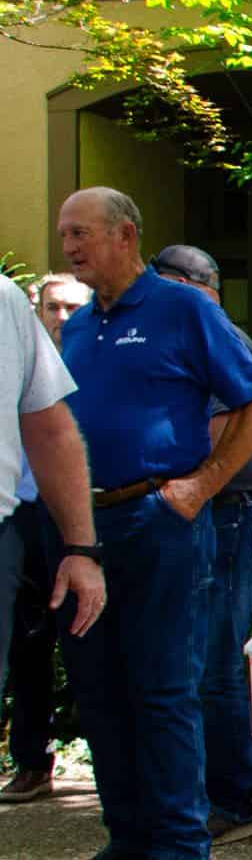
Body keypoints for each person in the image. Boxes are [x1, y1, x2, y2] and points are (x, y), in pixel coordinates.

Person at [54, 188, 252, 860]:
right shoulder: (79, 325)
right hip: (87, 530)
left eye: (81, 233)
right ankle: (128, 839)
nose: (69, 247)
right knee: (100, 687)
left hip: (159, 522)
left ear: (125, 235)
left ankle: (181, 845)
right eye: (64, 235)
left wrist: (200, 487)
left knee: (163, 684)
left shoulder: (183, 309)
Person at [149, 246, 252, 845]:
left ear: (184, 284)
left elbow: (225, 431)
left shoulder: (215, 335)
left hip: (226, 515)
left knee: (216, 664)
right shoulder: (188, 332)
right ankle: (195, 796)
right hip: (203, 514)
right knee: (190, 661)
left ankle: (227, 801)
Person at [0, 273, 91, 804]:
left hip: (73, 517)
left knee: (86, 638)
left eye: (72, 308)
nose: (62, 318)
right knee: (26, 642)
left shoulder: (94, 363)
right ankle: (32, 761)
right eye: (53, 307)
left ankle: (107, 763)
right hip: (19, 514)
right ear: (38, 310)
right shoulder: (18, 353)